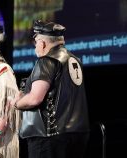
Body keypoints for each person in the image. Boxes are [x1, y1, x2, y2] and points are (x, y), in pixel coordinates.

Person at [9, 20, 90, 158]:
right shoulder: (75, 60)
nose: (35, 48)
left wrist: (16, 103)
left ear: (42, 43)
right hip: (77, 134)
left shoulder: (47, 61)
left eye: (36, 43)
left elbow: (35, 98)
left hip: (49, 137)